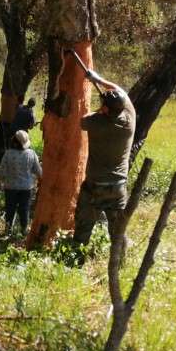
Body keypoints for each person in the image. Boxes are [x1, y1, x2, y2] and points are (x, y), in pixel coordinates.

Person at [72, 73, 136, 247]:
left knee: (83, 229)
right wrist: (99, 81)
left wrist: (96, 80)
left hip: (95, 187)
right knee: (118, 233)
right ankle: (119, 264)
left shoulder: (94, 122)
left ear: (105, 109)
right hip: (118, 188)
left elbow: (82, 120)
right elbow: (121, 92)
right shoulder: (129, 120)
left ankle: (74, 263)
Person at [0, 130, 42, 236]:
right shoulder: (31, 154)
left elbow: (2, 170)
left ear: (14, 141)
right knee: (24, 209)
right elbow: (39, 171)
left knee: (10, 209)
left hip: (10, 187)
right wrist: (41, 182)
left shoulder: (8, 154)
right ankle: (24, 231)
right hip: (26, 188)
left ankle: (8, 231)